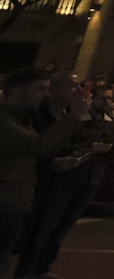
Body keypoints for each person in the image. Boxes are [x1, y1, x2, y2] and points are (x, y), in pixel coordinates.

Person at [1, 68, 88, 277]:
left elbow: (32, 153)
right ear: (18, 90)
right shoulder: (4, 120)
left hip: (14, 202)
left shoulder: (22, 118)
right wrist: (73, 118)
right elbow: (35, 145)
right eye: (40, 89)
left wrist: (51, 163)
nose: (46, 95)